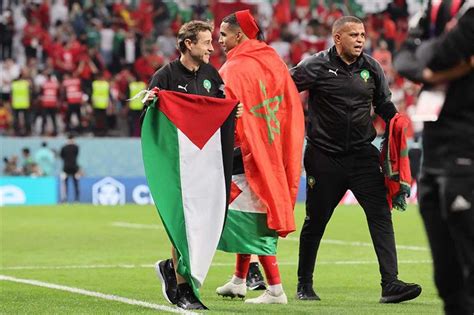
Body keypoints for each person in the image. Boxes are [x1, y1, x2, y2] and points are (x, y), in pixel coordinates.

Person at [290, 16, 422, 303]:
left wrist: (395, 120)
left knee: (380, 216)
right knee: (316, 222)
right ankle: (304, 285)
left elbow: (383, 104)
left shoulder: (372, 68)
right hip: (324, 157)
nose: (361, 39)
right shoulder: (315, 65)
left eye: (362, 34)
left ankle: (390, 284)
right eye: (353, 35)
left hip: (362, 156)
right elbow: (285, 89)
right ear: (337, 38)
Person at [144, 20, 242, 311]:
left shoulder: (212, 75)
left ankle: (171, 269)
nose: (213, 47)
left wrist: (231, 109)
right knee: (184, 222)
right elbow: (151, 116)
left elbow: (219, 109)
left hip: (204, 164)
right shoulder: (166, 75)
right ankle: (184, 287)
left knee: (201, 221)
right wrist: (150, 103)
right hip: (178, 165)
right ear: (189, 44)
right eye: (206, 42)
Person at [215, 10, 305, 304]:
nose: (219, 42)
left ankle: (276, 289)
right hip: (270, 146)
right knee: (250, 215)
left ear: (239, 35)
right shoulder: (272, 61)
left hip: (246, 153)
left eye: (223, 35)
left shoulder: (235, 68)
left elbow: (224, 111)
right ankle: (240, 280)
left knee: (253, 218)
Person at [395, 2, 474, 314]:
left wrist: (425, 59)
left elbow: (435, 53)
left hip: (466, 143)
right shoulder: (434, 6)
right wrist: (431, 70)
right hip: (435, 147)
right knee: (445, 276)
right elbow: (403, 56)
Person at [60, 134, 80, 202]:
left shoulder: (64, 147)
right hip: (74, 167)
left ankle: (64, 199)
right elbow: (76, 155)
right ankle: (76, 199)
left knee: (65, 184)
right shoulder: (76, 147)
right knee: (76, 184)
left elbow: (62, 156)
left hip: (66, 168)